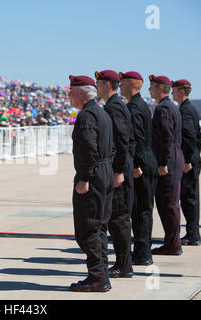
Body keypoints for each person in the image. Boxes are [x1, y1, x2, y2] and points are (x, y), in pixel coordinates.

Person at [69, 75, 115, 292]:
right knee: (99, 227)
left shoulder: (87, 115)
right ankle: (100, 274)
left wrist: (85, 178)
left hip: (93, 174)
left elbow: (88, 149)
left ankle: (97, 277)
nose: (69, 95)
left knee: (88, 228)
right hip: (104, 171)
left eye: (71, 91)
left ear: (81, 93)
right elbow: (112, 147)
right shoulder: (102, 113)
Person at [95, 70, 135, 278]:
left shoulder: (114, 107)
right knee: (116, 218)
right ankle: (123, 263)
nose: (97, 87)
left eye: (99, 83)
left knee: (118, 218)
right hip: (119, 166)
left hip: (118, 168)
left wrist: (119, 170)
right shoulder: (114, 105)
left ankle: (124, 265)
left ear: (108, 85)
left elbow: (121, 140)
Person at [120, 71, 158, 265]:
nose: (119, 86)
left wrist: (135, 165)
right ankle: (143, 250)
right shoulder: (139, 104)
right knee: (143, 208)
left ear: (130, 85)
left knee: (140, 209)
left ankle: (142, 253)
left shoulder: (134, 107)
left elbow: (134, 138)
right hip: (146, 158)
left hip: (141, 161)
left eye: (122, 83)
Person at [150, 75, 185, 255]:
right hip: (174, 155)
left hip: (168, 158)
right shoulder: (172, 106)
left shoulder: (163, 108)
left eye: (152, 86)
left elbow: (166, 136)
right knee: (169, 202)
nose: (149, 90)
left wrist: (162, 162)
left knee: (167, 202)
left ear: (160, 89)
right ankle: (172, 241)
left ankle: (173, 244)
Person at [172, 79, 201, 246]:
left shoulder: (186, 110)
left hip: (188, 160)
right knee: (188, 196)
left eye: (174, 90)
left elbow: (190, 136)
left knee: (189, 198)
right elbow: (199, 138)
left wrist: (189, 159)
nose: (172, 92)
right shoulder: (186, 108)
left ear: (182, 91)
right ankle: (192, 233)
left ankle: (193, 234)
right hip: (191, 158)